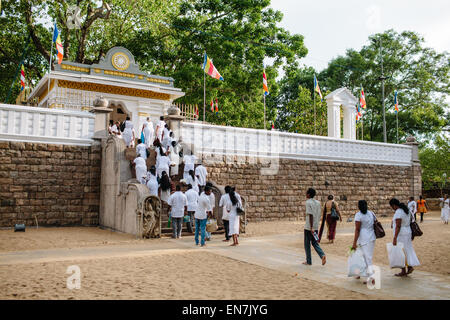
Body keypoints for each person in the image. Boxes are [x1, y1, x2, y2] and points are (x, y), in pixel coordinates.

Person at [389, 198, 420, 277]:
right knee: (407, 250)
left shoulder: (399, 212)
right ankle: (409, 267)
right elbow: (411, 221)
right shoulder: (406, 210)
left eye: (392, 206)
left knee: (400, 251)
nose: (392, 208)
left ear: (394, 205)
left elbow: (398, 226)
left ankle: (403, 270)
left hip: (401, 234)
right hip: (407, 232)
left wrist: (395, 237)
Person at [351, 200, 377, 282]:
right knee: (362, 256)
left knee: (366, 258)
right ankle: (359, 273)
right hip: (371, 237)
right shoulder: (371, 213)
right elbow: (375, 223)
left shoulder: (358, 215)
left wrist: (354, 243)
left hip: (363, 238)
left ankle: (371, 276)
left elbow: (357, 229)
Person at [303, 188, 326, 266]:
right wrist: (315, 226)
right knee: (314, 242)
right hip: (316, 226)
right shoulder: (318, 203)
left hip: (309, 227)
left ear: (309, 194)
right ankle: (322, 255)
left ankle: (308, 261)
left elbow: (310, 215)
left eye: (306, 193)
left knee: (307, 244)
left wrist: (311, 227)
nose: (305, 194)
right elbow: (318, 214)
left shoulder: (308, 202)